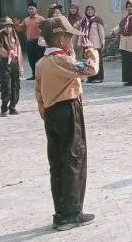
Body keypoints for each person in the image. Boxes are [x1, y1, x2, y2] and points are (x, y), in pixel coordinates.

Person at [34, 17, 98, 231]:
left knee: (58, 163)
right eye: (70, 37)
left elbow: (38, 94)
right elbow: (90, 69)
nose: (72, 41)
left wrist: (46, 114)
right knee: (74, 158)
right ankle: (72, 213)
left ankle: (61, 212)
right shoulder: (63, 61)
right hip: (68, 110)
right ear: (62, 39)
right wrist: (91, 52)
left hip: (51, 113)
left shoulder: (41, 62)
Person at [14, 2, 46, 80]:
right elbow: (19, 28)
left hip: (39, 42)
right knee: (31, 59)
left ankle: (41, 75)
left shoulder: (41, 19)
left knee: (40, 59)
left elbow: (46, 29)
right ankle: (34, 74)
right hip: (29, 42)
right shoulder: (26, 20)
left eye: (32, 9)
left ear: (36, 9)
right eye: (29, 9)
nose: (31, 10)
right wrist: (16, 24)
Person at [77, 5, 105, 83]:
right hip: (86, 44)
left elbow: (101, 32)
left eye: (91, 10)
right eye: (88, 10)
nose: (90, 12)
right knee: (88, 61)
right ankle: (90, 78)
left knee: (97, 60)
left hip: (95, 44)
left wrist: (102, 42)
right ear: (86, 11)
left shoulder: (97, 19)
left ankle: (99, 78)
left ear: (94, 11)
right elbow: (81, 32)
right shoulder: (83, 21)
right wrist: (79, 42)